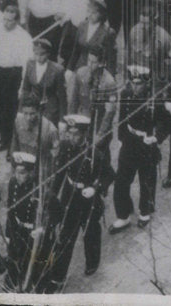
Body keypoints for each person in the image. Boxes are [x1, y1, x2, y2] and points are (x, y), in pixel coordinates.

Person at [46, 114, 114, 289]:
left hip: (89, 200)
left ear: (84, 134)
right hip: (70, 196)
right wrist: (53, 193)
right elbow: (61, 172)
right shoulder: (65, 147)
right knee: (65, 236)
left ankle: (92, 262)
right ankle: (58, 276)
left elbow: (109, 174)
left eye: (76, 134)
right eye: (70, 133)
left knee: (91, 232)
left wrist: (95, 188)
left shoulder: (96, 153)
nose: (72, 137)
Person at [110, 65, 171, 233]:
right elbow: (122, 120)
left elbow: (167, 122)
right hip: (129, 142)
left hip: (146, 144)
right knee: (121, 181)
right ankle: (123, 215)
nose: (135, 87)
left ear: (147, 83)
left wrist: (157, 137)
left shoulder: (154, 100)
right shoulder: (126, 95)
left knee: (147, 182)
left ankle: (145, 212)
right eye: (132, 83)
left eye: (139, 84)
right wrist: (121, 139)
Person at [0, 4, 33, 150]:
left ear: (17, 21)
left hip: (13, 74)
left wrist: (22, 87)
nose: (6, 23)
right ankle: (2, 130)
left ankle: (6, 139)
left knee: (8, 109)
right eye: (5, 19)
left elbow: (27, 64)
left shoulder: (24, 38)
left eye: (10, 21)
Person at [4, 152, 50, 291]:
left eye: (22, 173)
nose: (18, 176)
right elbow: (10, 209)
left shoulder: (41, 190)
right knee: (14, 253)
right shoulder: (13, 183)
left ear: (31, 172)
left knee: (35, 259)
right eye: (16, 172)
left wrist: (41, 230)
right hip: (18, 227)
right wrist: (8, 232)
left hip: (34, 231)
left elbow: (56, 213)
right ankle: (15, 276)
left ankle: (36, 282)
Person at [18, 38, 67, 126]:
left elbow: (62, 97)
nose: (38, 57)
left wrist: (62, 120)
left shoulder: (57, 70)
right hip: (33, 108)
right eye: (36, 54)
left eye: (42, 54)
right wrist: (21, 110)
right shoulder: (30, 64)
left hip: (50, 110)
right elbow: (26, 89)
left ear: (48, 54)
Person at [9, 97, 60, 179]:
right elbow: (14, 145)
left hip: (41, 169)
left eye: (32, 114)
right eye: (25, 113)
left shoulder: (49, 129)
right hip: (23, 167)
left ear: (38, 112)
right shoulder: (17, 121)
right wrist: (14, 166)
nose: (28, 118)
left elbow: (55, 155)